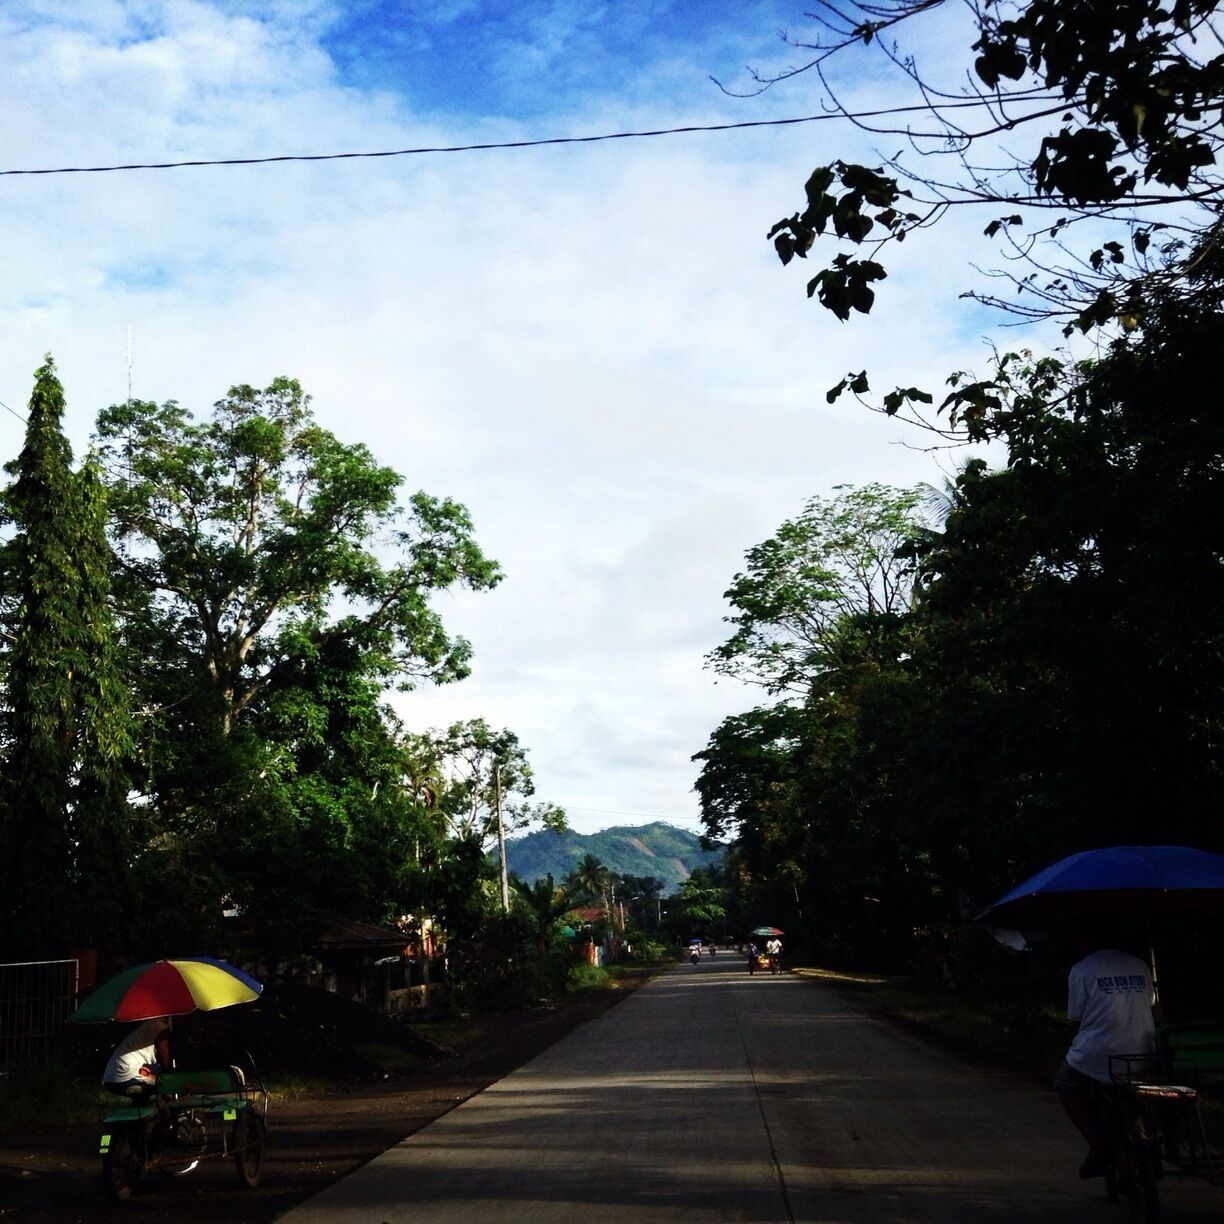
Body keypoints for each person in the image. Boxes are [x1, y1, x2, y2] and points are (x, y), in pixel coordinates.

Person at [1054, 921, 1156, 1179]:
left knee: (1065, 1085)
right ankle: (1140, 1128)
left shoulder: (1082, 969)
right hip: (1143, 1052)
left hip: (1097, 1055)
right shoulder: (1140, 965)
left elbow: (1076, 1017)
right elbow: (1152, 1004)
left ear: (1089, 939)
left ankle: (1100, 1147)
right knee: (1134, 1090)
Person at [103, 1017, 172, 1098]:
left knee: (159, 1074)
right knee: (166, 1082)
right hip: (122, 1078)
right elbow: (164, 1054)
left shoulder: (154, 1022)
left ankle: (145, 1094)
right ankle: (143, 1090)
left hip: (113, 1075)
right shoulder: (160, 1027)